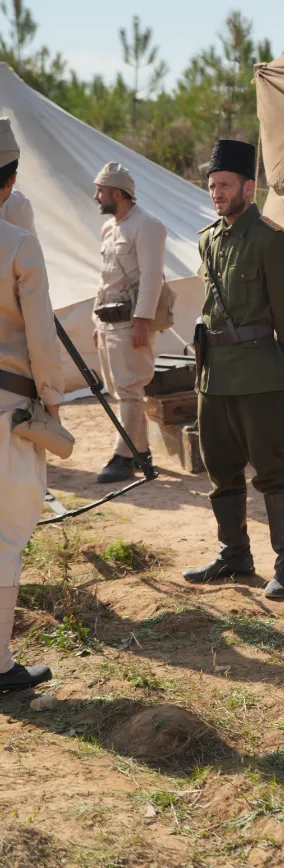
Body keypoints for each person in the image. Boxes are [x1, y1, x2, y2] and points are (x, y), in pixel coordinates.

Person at [183, 139, 284, 600]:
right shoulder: (208, 238)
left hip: (258, 375)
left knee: (273, 470)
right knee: (220, 468)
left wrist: (280, 369)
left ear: (249, 188)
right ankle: (233, 555)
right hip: (213, 374)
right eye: (212, 185)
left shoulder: (272, 241)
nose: (216, 192)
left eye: (225, 185)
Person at [0, 117, 64, 691]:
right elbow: (42, 343)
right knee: (5, 537)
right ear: (11, 180)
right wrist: (53, 405)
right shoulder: (20, 245)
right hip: (7, 412)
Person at [92, 162, 167, 483]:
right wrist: (97, 320)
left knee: (130, 388)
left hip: (131, 321)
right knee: (118, 390)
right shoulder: (110, 228)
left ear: (118, 193)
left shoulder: (147, 226)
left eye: (101, 191)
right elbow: (104, 279)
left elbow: (152, 278)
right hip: (109, 321)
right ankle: (142, 452)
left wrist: (142, 322)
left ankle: (123, 457)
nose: (96, 197)